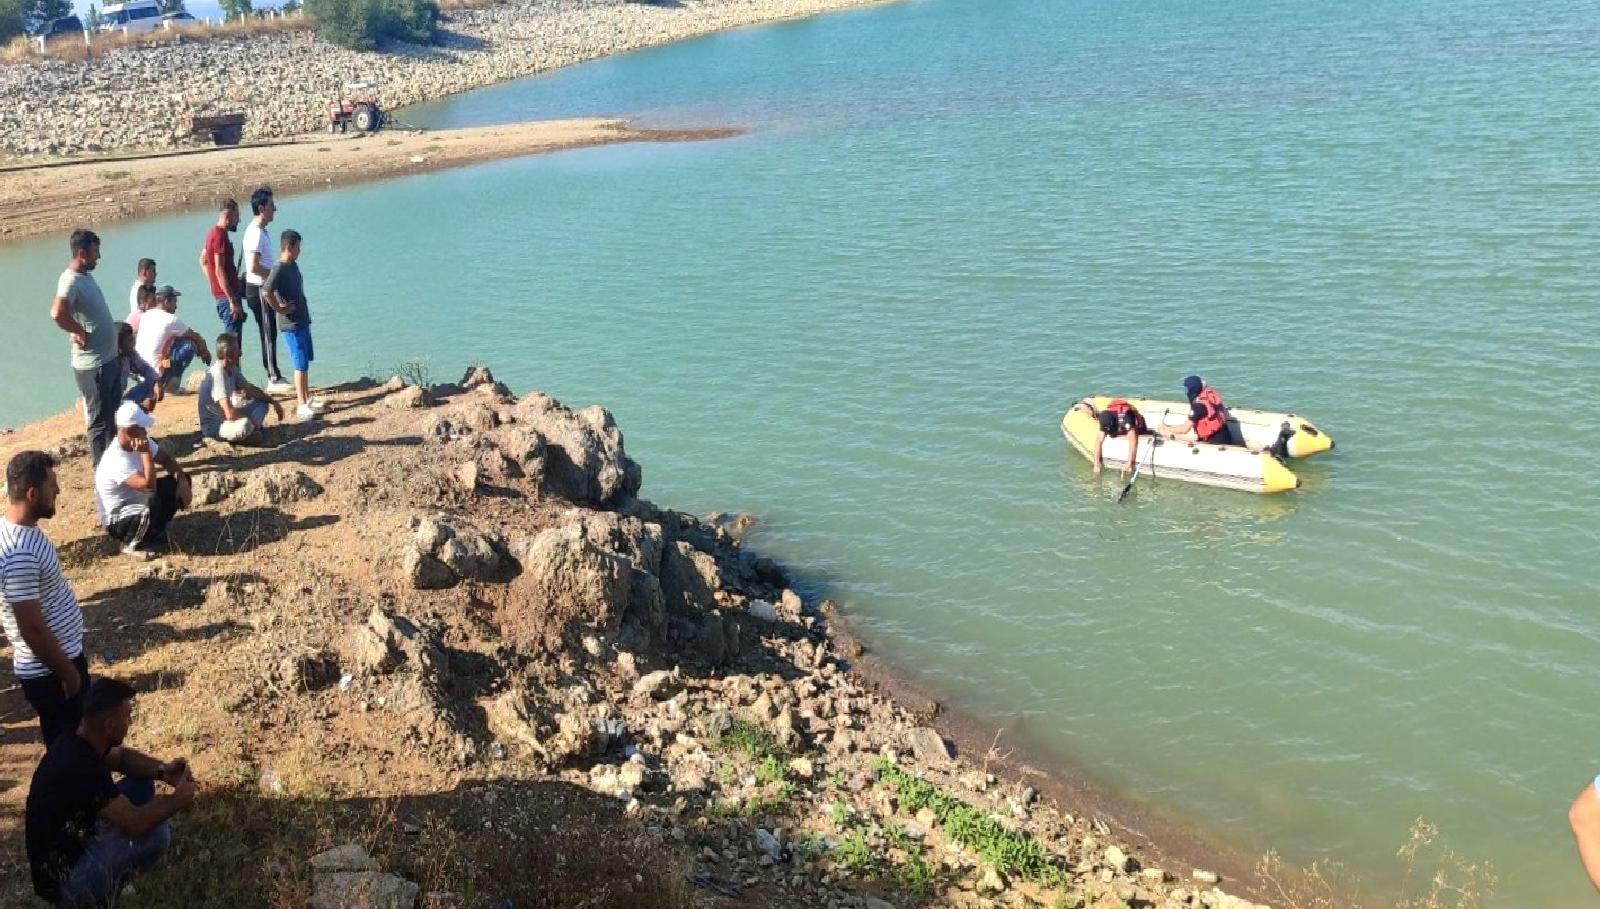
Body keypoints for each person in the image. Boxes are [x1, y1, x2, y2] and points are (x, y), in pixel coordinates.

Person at [25, 677, 196, 908]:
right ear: (109, 725)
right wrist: (177, 800)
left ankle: (104, 857)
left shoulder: (81, 737)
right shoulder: (81, 766)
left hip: (74, 836)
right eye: (127, 716)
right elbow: (135, 822)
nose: (130, 721)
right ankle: (98, 893)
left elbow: (123, 758)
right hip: (66, 882)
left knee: (142, 783)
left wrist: (162, 771)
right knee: (158, 835)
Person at [0, 451, 89, 744]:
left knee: (70, 744)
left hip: (55, 664)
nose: (59, 490)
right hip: (50, 671)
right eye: (53, 485)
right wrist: (68, 673)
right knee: (72, 747)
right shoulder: (19, 553)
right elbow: (31, 628)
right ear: (32, 493)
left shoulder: (15, 530)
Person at [50, 229, 119, 468]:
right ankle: (102, 473)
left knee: (111, 418)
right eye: (95, 251)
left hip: (107, 360)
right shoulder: (70, 279)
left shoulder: (84, 275)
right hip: (93, 366)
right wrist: (77, 331)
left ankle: (114, 466)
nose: (98, 256)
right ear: (82, 253)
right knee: (99, 422)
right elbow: (58, 312)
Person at [95, 402, 192, 559]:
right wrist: (145, 453)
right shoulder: (116, 458)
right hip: (117, 517)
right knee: (150, 500)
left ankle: (152, 531)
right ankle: (128, 544)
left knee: (176, 483)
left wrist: (182, 480)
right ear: (128, 431)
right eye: (141, 428)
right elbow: (149, 486)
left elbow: (167, 460)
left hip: (137, 501)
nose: (145, 431)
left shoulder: (143, 441)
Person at [263, 229, 324, 420]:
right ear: (289, 246)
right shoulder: (278, 268)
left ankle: (307, 398)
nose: (300, 250)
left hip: (302, 320)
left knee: (305, 362)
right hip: (291, 325)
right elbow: (266, 291)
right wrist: (280, 309)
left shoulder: (293, 265)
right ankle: (300, 404)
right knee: (299, 363)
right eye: (298, 246)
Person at [241, 187, 291, 393]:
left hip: (262, 288)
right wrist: (274, 276)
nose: (275, 209)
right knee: (268, 333)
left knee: (270, 332)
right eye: (271, 206)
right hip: (260, 290)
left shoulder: (260, 231)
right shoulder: (255, 233)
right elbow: (253, 266)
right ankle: (272, 377)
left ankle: (274, 373)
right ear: (261, 208)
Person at [198, 333, 283, 443]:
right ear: (228, 354)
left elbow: (250, 389)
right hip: (215, 426)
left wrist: (272, 401)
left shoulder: (232, 369)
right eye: (237, 350)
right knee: (245, 425)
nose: (240, 353)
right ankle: (248, 433)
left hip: (227, 417)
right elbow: (230, 413)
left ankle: (249, 433)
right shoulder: (217, 375)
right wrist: (251, 422)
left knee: (262, 404)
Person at [134, 285, 213, 399]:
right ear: (166, 301)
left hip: (141, 372)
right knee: (190, 345)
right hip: (157, 371)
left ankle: (165, 383)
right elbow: (196, 337)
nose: (176, 306)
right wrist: (204, 352)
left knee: (174, 342)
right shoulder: (170, 320)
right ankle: (171, 386)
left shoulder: (147, 315)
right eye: (174, 302)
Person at [200, 198, 244, 340]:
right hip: (227, 299)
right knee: (233, 346)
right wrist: (231, 299)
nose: (239, 220)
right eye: (237, 216)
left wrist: (214, 283)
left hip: (222, 296)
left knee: (233, 344)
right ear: (229, 215)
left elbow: (203, 261)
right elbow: (219, 269)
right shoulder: (219, 236)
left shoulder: (211, 233)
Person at [1160, 375, 1233, 445]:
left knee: (1167, 435)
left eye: (1187, 389)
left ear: (1192, 389)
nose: (1186, 391)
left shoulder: (1198, 406)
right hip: (1226, 437)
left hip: (1214, 443)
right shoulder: (1209, 396)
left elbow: (1184, 429)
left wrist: (1165, 428)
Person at [1090, 398, 1147, 478]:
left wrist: (1129, 463)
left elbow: (1133, 441)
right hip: (1115, 420)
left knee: (1132, 433)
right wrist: (1096, 464)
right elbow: (1098, 440)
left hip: (1138, 424)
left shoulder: (1127, 417)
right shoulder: (1105, 417)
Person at [112, 322, 160, 411]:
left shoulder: (129, 354)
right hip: (108, 407)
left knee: (148, 384)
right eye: (129, 340)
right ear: (118, 343)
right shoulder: (108, 363)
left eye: (133, 339)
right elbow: (106, 399)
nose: (133, 343)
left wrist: (156, 383)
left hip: (121, 401)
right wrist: (139, 406)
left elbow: (146, 369)